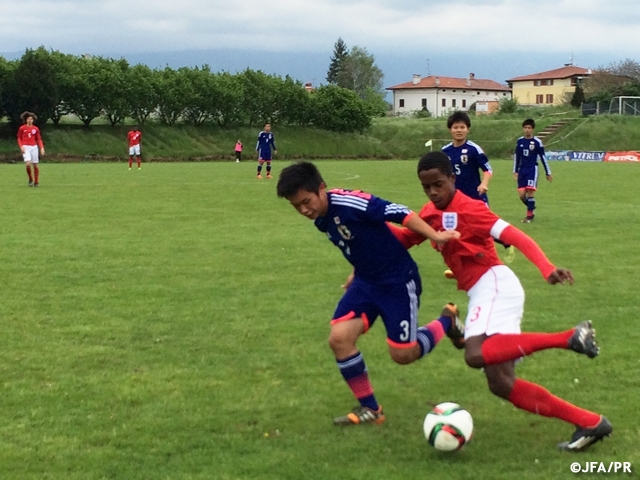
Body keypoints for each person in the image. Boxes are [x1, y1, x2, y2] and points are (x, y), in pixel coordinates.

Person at [388, 152, 612, 452]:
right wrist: (372, 224)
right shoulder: (429, 212)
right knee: (501, 383)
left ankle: (569, 337)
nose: (432, 192)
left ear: (453, 179)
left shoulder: (471, 209)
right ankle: (590, 422)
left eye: (438, 184)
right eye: (426, 187)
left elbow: (516, 236)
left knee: (474, 354)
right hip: (483, 290)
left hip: (494, 284)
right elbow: (406, 238)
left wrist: (546, 268)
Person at [277, 161, 463, 426]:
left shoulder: (352, 202)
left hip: (398, 281)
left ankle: (448, 321)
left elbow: (401, 213)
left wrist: (437, 235)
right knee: (339, 338)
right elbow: (356, 241)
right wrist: (357, 268)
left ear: (321, 188)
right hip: (366, 281)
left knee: (403, 354)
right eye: (297, 207)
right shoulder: (320, 218)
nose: (304, 210)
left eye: (307, 201)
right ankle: (371, 409)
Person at [441, 111, 514, 269]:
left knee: (485, 229)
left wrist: (484, 183)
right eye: (455, 127)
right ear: (450, 130)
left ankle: (505, 242)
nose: (459, 130)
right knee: (455, 231)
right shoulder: (445, 152)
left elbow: (488, 169)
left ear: (468, 129)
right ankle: (457, 264)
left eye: (462, 127)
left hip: (475, 197)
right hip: (455, 200)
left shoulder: (474, 149)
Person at [513, 118, 552, 223]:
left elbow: (543, 157)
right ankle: (531, 206)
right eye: (525, 128)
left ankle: (529, 216)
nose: (527, 130)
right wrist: (515, 171)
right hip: (522, 170)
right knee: (521, 195)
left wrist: (548, 172)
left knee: (530, 192)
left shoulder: (537, 142)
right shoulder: (520, 141)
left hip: (532, 170)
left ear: (532, 129)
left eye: (529, 128)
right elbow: (517, 157)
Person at [17, 111, 45, 187]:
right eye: (28, 119)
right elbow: (19, 138)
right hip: (26, 147)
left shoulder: (35, 129)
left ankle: (36, 182)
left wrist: (41, 148)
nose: (30, 120)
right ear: (26, 120)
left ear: (33, 120)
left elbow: (39, 139)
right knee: (28, 164)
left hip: (34, 147)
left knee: (35, 165)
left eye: (31, 119)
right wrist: (21, 146)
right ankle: (30, 179)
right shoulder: (22, 128)